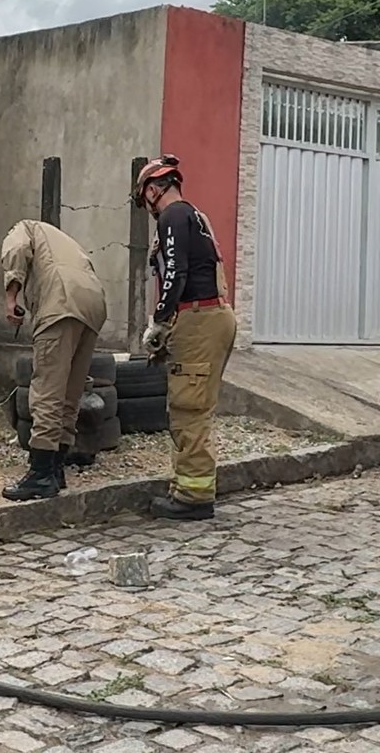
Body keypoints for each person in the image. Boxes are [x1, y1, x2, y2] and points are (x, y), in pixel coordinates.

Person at [133, 154, 237, 521]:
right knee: (194, 404)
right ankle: (188, 486)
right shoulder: (194, 216)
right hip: (209, 316)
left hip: (199, 316)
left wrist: (160, 322)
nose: (146, 205)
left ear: (152, 189)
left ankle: (193, 497)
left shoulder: (174, 216)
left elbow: (176, 272)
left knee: (188, 408)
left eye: (143, 196)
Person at [0, 218, 109, 501]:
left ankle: (40, 474)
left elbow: (16, 248)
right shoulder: (62, 240)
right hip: (94, 304)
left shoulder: (23, 227)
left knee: (47, 389)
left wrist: (11, 296)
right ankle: (56, 469)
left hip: (61, 303)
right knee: (71, 392)